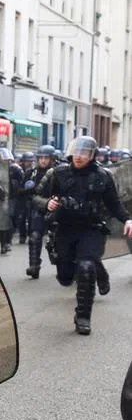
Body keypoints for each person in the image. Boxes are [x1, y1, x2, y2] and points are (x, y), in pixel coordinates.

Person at [33, 136, 132, 335]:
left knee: (86, 267)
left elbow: (114, 204)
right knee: (65, 277)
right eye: (76, 152)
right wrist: (46, 204)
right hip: (64, 229)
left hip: (91, 229)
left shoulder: (102, 176)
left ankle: (83, 316)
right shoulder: (57, 173)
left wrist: (128, 220)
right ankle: (100, 270)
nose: (79, 157)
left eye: (84, 153)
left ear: (92, 155)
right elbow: (36, 196)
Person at [24, 145, 58, 278]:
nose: (43, 160)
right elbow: (25, 193)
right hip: (38, 209)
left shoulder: (58, 172)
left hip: (56, 209)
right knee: (35, 237)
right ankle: (34, 266)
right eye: (41, 158)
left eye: (46, 158)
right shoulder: (31, 173)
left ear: (52, 159)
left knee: (58, 240)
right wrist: (42, 203)